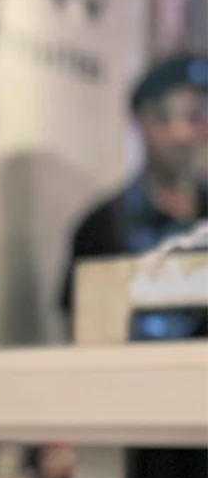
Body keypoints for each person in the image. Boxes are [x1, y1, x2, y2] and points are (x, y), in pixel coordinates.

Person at [61, 53, 208, 335]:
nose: (182, 134)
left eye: (196, 116)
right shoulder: (102, 228)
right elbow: (83, 334)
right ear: (141, 122)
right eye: (164, 117)